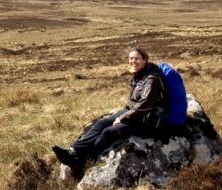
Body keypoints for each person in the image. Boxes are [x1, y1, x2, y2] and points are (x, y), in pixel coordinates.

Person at [52, 47, 167, 180]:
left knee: (108, 132)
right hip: (133, 112)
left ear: (145, 60)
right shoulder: (140, 75)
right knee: (101, 123)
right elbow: (135, 102)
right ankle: (75, 151)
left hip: (147, 120)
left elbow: (145, 106)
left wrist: (123, 117)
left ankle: (87, 160)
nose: (133, 61)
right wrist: (122, 114)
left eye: (137, 58)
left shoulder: (151, 79)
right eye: (131, 58)